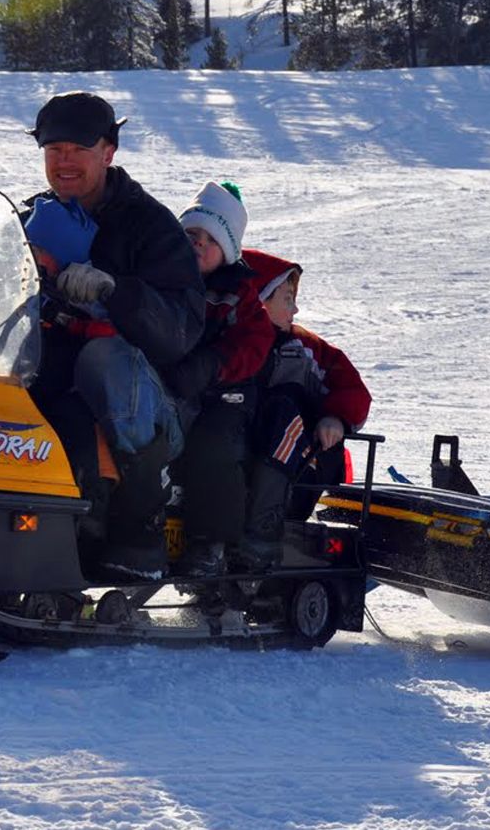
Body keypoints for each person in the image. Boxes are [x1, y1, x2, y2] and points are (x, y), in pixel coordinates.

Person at [21, 91, 205, 581]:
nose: (64, 161)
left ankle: (140, 529)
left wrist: (115, 291)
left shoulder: (150, 226)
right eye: (53, 149)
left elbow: (181, 332)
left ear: (108, 152)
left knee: (104, 357)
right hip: (66, 390)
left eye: (79, 149)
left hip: (158, 408)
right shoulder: (33, 220)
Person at [161, 181, 275, 577]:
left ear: (226, 251)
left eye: (210, 240)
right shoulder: (164, 278)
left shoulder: (237, 294)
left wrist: (213, 363)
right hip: (173, 383)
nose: (197, 244)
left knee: (213, 448)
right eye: (191, 234)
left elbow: (255, 343)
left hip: (225, 397)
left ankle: (211, 543)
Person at [236, 250, 373, 567]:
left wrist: (335, 417)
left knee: (283, 405)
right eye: (287, 298)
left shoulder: (305, 347)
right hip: (240, 465)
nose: (295, 309)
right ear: (260, 300)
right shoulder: (231, 340)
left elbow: (354, 390)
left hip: (301, 468)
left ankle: (264, 523)